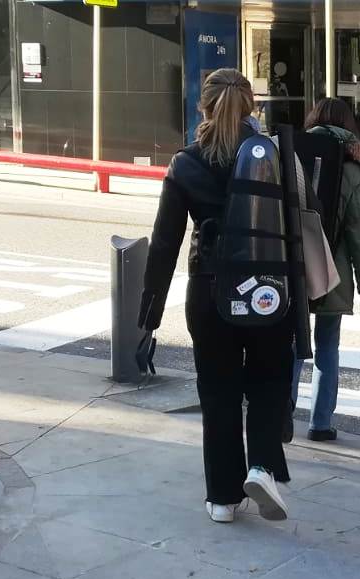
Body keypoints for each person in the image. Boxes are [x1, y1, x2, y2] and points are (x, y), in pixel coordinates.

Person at [140, 68, 293, 525]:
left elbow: (164, 242)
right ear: (252, 107)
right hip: (268, 291)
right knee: (268, 380)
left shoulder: (186, 163)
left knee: (219, 392)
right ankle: (263, 466)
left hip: (209, 293)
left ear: (202, 107)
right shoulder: (276, 156)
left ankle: (223, 499)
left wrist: (149, 316)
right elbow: (306, 224)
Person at [291, 98, 360, 442]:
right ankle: (320, 423)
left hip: (294, 266)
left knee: (292, 344)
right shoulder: (353, 171)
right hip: (332, 274)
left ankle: (282, 413)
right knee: (327, 348)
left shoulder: (292, 156)